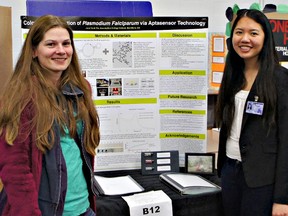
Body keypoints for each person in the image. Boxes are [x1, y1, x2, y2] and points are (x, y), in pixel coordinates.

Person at [0, 15, 100, 216]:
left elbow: (82, 150)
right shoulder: (23, 96)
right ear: (35, 50)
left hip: (83, 208)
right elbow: (15, 168)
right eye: (51, 44)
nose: (61, 51)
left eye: (66, 43)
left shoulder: (81, 89)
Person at [215, 9, 288, 216]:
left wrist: (283, 198)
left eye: (253, 33)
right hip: (231, 171)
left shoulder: (280, 79)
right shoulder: (232, 74)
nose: (245, 39)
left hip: (262, 179)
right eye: (239, 32)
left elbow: (286, 141)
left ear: (265, 37)